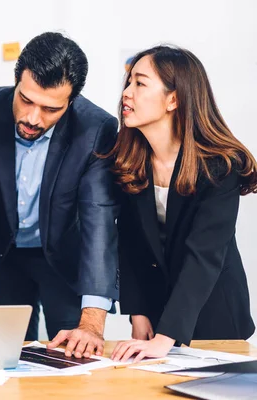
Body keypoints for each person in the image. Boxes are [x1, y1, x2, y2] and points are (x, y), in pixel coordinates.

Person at [0, 32, 119, 358]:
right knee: (0, 357)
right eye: (26, 100)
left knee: (72, 357)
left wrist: (93, 319)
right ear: (16, 80)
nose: (32, 118)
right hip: (1, 255)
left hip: (65, 259)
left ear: (71, 102)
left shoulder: (96, 129)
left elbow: (100, 218)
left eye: (50, 109)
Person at [109, 46, 256, 363]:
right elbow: (129, 243)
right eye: (128, 82)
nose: (127, 94)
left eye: (140, 83)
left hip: (215, 317)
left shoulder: (221, 166)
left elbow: (204, 256)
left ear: (173, 100)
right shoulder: (129, 160)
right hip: (155, 314)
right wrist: (137, 311)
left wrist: (166, 336)